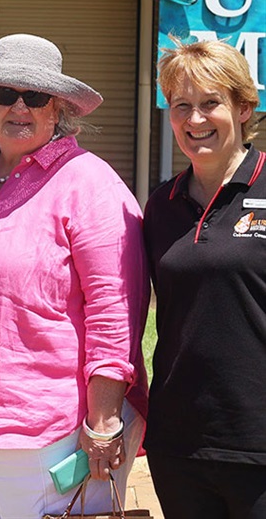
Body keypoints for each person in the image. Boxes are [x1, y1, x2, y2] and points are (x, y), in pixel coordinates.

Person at [0, 33, 150, 517]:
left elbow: (114, 315)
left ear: (57, 110)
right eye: (5, 94)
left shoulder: (90, 183)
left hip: (47, 435)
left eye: (34, 96)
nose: (19, 107)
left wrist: (103, 421)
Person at [143, 39, 266, 518]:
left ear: (242, 108)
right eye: (181, 107)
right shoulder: (161, 205)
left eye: (211, 103)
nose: (195, 121)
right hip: (180, 444)